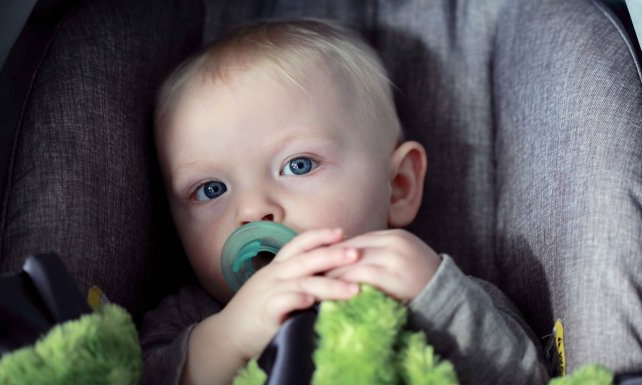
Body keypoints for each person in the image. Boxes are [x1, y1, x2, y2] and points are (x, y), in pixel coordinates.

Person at [141, 19, 549, 385]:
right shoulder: (191, 318)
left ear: (399, 185)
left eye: (298, 165)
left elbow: (527, 376)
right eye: (211, 189)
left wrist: (439, 300)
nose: (251, 211)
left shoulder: (433, 289)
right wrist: (227, 338)